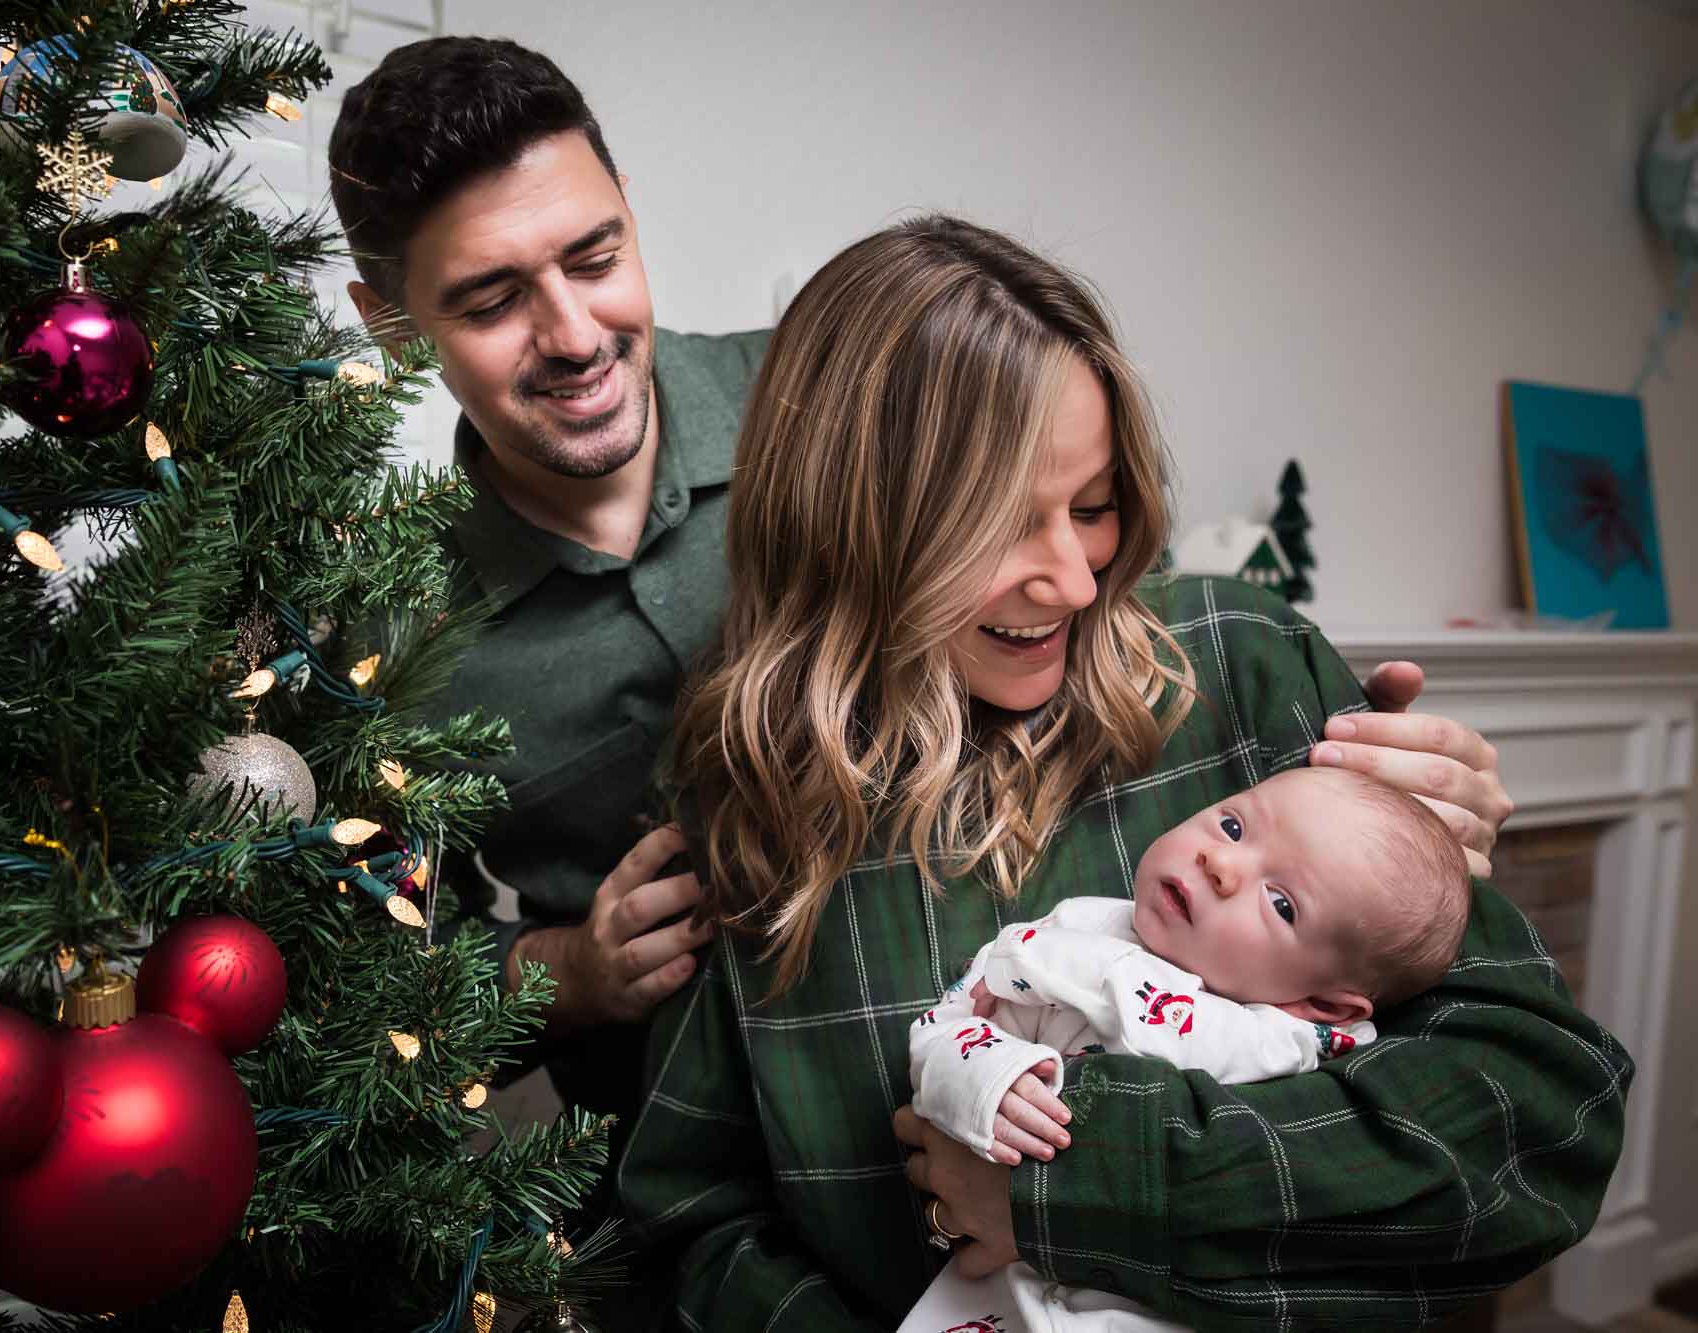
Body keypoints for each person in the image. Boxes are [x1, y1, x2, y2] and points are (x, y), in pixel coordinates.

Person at [327, 39, 1513, 1182]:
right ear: (387, 320)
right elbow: (360, 972)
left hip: (981, 988)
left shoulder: (856, 394)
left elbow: (1080, 587)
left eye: (594, 257)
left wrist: (1379, 824)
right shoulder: (385, 634)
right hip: (693, 1129)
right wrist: (560, 972)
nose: (575, 333)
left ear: (628, 211)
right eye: (491, 300)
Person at [619, 216, 1629, 1330]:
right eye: (998, 525)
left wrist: (1068, 1185)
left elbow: (1537, 1124)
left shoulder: (1245, 669)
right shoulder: (745, 788)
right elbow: (691, 1220)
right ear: (845, 525)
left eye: (1091, 508)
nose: (1071, 578)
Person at [900, 766, 1468, 1333]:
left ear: (1326, 1006)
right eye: (1233, 826)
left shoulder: (1292, 1048)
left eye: (1282, 904)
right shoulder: (1076, 928)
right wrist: (991, 1078)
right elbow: (948, 1024)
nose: (1221, 864)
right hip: (1012, 1293)